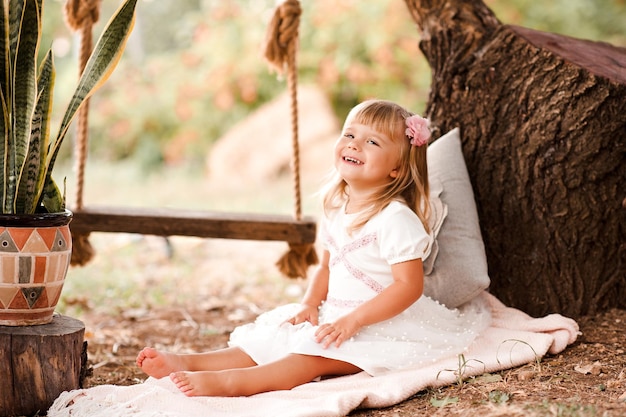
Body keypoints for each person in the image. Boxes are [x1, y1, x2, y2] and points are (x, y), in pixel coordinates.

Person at [136, 99, 491, 397]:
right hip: (333, 314)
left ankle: (225, 384)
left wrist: (354, 321)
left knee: (304, 360)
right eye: (350, 134)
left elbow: (408, 286)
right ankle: (187, 362)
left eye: (372, 142)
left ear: (397, 169)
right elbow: (326, 266)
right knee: (270, 339)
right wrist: (309, 303)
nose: (354, 144)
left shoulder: (396, 219)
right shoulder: (336, 206)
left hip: (380, 324)